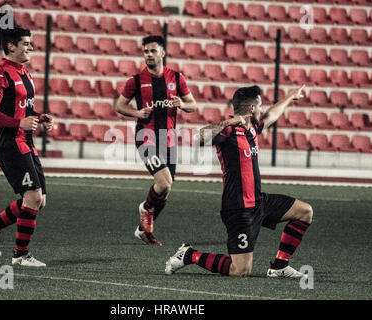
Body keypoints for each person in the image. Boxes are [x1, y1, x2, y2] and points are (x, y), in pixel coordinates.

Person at [165, 85, 314, 278]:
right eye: (260, 105)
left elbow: (271, 115)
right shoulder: (229, 131)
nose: (262, 109)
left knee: (305, 212)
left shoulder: (252, 128)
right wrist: (232, 121)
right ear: (252, 108)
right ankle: (189, 255)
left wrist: (289, 96)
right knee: (240, 271)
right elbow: (197, 137)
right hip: (238, 208)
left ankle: (279, 266)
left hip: (259, 202)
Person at [0, 27, 53, 267]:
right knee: (33, 197)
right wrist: (19, 122)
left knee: (39, 200)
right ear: (11, 46)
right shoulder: (2, 76)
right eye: (26, 43)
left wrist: (39, 116)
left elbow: (24, 108)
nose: (31, 47)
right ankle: (20, 255)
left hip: (26, 142)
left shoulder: (24, 73)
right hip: (11, 144)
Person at [115, 35, 197, 246]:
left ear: (162, 53)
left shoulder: (177, 78)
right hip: (146, 137)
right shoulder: (135, 80)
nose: (149, 55)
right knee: (164, 182)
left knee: (165, 190)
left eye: (153, 51)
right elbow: (120, 106)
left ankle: (144, 228)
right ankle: (145, 210)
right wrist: (137, 112)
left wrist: (182, 104)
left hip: (168, 139)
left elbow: (193, 105)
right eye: (146, 52)